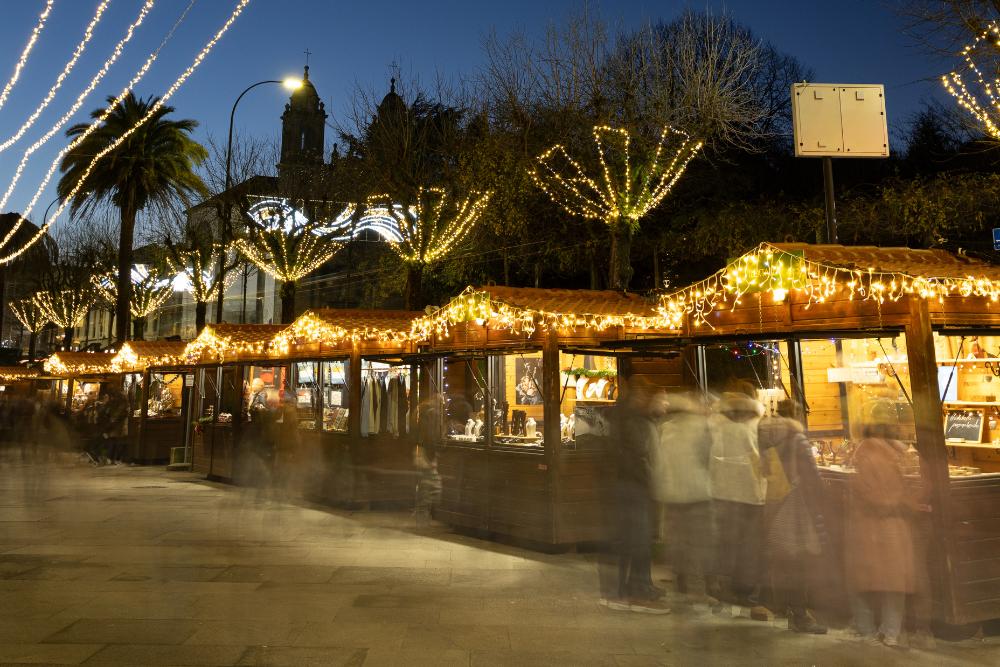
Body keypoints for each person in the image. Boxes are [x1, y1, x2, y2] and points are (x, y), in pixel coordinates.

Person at [845, 403, 929, 648]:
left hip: (867, 525)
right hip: (894, 525)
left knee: (861, 580)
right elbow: (915, 486)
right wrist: (909, 504)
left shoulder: (862, 452)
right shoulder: (900, 452)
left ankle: (866, 628)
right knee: (894, 582)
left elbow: (859, 487)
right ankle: (891, 631)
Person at [758, 399, 828, 634]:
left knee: (780, 558)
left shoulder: (764, 436)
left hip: (773, 500)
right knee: (799, 559)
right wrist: (821, 498)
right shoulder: (797, 438)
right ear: (796, 415)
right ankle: (800, 614)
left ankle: (782, 607)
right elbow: (811, 474)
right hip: (796, 505)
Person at [601, 378, 670, 614]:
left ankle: (634, 587)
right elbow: (638, 455)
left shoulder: (630, 417)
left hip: (631, 484)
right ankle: (628, 591)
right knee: (635, 539)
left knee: (636, 539)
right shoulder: (631, 419)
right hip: (632, 485)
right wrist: (649, 479)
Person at [650, 392, 715, 601]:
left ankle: (681, 583)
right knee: (697, 542)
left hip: (671, 494)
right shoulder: (700, 427)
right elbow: (708, 458)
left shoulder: (664, 430)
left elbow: (657, 461)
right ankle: (697, 590)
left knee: (677, 541)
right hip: (697, 493)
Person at [709, 391, 767, 616]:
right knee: (751, 548)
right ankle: (748, 596)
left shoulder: (716, 425)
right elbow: (761, 460)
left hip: (723, 494)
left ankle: (724, 596)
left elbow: (711, 458)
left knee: (727, 546)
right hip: (752, 494)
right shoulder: (756, 426)